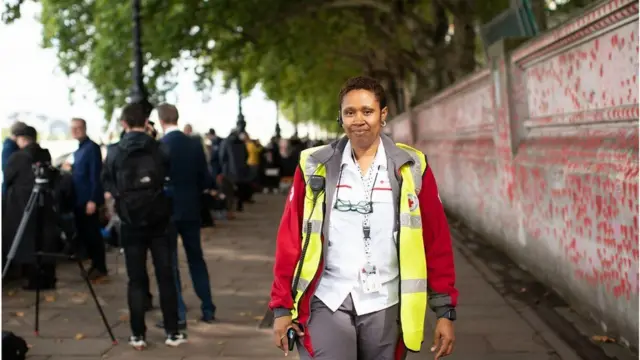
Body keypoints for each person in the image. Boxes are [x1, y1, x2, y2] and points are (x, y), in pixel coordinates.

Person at [269, 76, 458, 360]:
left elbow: (436, 240)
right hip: (328, 298)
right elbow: (290, 240)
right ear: (340, 117)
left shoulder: (412, 167)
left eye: (367, 111)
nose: (358, 120)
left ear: (383, 115)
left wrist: (444, 311)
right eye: (349, 112)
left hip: (386, 302)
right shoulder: (314, 166)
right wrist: (281, 309)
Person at [102, 103, 186, 350]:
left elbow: (107, 183)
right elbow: (170, 177)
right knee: (165, 275)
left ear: (124, 124)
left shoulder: (115, 151)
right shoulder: (160, 148)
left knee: (136, 279)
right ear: (147, 122)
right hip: (160, 219)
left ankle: (138, 334)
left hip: (130, 221)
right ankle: (172, 332)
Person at [156, 103, 216, 329]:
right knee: (196, 258)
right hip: (191, 207)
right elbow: (206, 179)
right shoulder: (194, 144)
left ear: (161, 121)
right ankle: (208, 307)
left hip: (168, 210)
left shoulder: (160, 146)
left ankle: (178, 314)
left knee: (171, 264)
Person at [3, 126, 58, 290]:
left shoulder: (17, 157)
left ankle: (31, 278)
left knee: (26, 241)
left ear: (22, 139)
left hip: (22, 206)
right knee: (44, 240)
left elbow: (7, 177)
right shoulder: (44, 154)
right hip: (43, 203)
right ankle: (47, 276)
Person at [70, 118, 107, 281]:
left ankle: (100, 266)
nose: (75, 131)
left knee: (93, 235)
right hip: (79, 200)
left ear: (84, 128)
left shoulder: (91, 148)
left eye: (78, 128)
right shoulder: (79, 150)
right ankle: (94, 265)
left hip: (87, 200)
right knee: (86, 234)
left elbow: (95, 175)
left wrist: (93, 199)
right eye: (73, 128)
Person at [220, 130, 250, 212]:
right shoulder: (241, 143)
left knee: (229, 190)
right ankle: (239, 205)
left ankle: (229, 208)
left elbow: (222, 157)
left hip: (228, 170)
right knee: (240, 188)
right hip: (240, 170)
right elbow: (247, 155)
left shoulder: (225, 142)